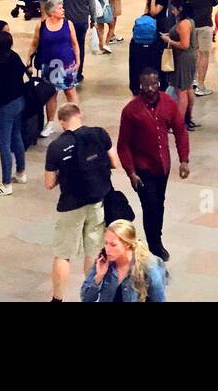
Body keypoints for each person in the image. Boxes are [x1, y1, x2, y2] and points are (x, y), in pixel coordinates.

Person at [45, 102, 121, 303]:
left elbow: (49, 183)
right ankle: (92, 294)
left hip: (70, 204)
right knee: (93, 250)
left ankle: (57, 298)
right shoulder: (99, 134)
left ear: (62, 123)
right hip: (97, 200)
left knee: (64, 253)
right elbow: (114, 163)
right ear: (80, 115)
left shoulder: (57, 147)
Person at [118, 67, 190, 263]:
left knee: (159, 203)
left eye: (154, 83)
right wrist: (131, 172)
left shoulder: (168, 103)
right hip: (142, 168)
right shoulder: (131, 111)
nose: (150, 88)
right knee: (150, 205)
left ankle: (155, 238)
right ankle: (155, 245)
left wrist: (184, 160)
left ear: (159, 83)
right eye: (145, 84)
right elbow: (123, 145)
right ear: (140, 85)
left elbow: (180, 131)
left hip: (162, 165)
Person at [0, 26, 28, 196]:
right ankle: (21, 172)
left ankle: (6, 183)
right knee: (17, 137)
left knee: (3, 144)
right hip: (19, 101)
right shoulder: (14, 56)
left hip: (4, 106)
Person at [29, 0, 81, 138]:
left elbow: (75, 43)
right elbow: (34, 43)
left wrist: (78, 60)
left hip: (66, 64)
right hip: (49, 65)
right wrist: (28, 59)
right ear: (51, 11)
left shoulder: (67, 24)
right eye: (60, 8)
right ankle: (50, 123)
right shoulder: (42, 26)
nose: (63, 10)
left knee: (70, 92)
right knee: (51, 94)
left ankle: (75, 122)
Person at [81, 220, 167, 302]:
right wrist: (99, 276)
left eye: (113, 245)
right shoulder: (103, 261)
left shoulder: (149, 266)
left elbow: (158, 298)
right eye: (106, 243)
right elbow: (86, 298)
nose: (107, 249)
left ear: (127, 244)